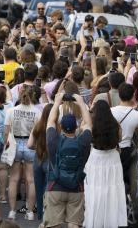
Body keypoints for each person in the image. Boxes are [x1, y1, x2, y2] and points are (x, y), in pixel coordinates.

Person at [42, 93, 92, 228]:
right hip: (77, 187)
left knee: (53, 224)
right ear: (76, 127)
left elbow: (51, 121)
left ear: (61, 127)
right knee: (74, 223)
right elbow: (88, 124)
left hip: (55, 186)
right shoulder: (83, 141)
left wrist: (57, 102)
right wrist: (81, 103)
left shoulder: (53, 139)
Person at [84, 100, 127, 228]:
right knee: (113, 190)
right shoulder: (116, 125)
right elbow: (119, 139)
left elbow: (84, 134)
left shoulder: (91, 125)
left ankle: (94, 221)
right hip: (113, 158)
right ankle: (111, 221)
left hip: (96, 157)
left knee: (95, 190)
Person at [4, 85, 41, 220]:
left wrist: (6, 147)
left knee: (13, 179)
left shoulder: (11, 111)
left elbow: (6, 133)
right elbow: (39, 132)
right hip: (31, 145)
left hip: (14, 144)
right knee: (31, 180)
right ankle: (30, 212)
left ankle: (12, 211)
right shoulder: (37, 112)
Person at [111, 83, 138, 193]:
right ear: (133, 95)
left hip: (112, 148)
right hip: (126, 150)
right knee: (125, 177)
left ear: (119, 95)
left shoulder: (110, 111)